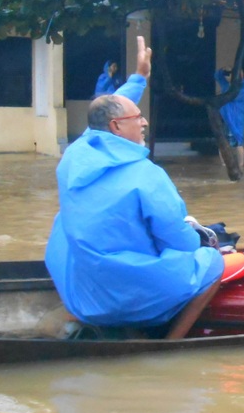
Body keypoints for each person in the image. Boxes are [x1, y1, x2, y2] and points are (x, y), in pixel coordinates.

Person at [45, 36, 226, 339]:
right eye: (138, 117)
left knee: (63, 221)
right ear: (116, 127)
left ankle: (77, 317)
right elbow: (181, 243)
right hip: (128, 297)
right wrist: (201, 241)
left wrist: (139, 77)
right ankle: (171, 344)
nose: (144, 122)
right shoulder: (147, 176)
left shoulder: (74, 156)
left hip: (81, 293)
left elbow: (103, 115)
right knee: (212, 263)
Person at [214, 67, 244, 169]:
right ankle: (224, 165)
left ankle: (241, 165)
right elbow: (217, 76)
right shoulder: (228, 86)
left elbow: (233, 95)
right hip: (225, 118)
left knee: (238, 142)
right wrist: (224, 71)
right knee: (222, 142)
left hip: (236, 120)